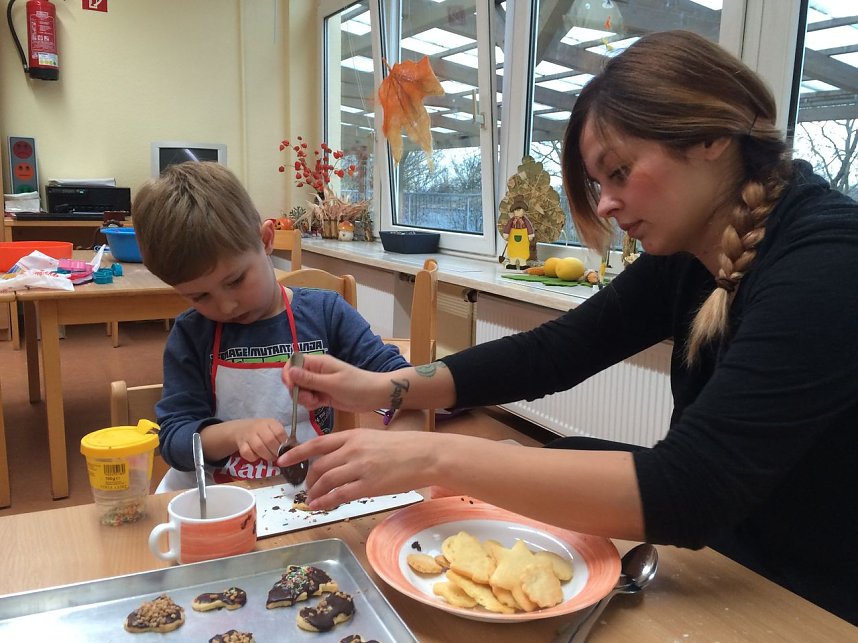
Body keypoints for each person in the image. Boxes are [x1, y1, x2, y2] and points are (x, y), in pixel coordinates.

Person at [279, 31, 858, 625]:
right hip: (720, 557)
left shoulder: (829, 263)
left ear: (710, 137)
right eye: (598, 184)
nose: (605, 204)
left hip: (811, 596)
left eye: (620, 173)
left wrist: (433, 456)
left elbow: (691, 488)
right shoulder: (691, 250)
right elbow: (555, 353)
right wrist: (385, 387)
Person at [131, 161, 416, 492]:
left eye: (236, 280)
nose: (226, 306)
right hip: (218, 497)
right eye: (200, 296)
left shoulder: (327, 314)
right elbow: (175, 440)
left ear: (265, 239)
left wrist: (401, 431)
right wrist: (234, 433)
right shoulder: (192, 334)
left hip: (308, 492)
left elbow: (399, 381)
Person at [501, 196, 535, 269]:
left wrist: (530, 234)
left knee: (523, 250)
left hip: (524, 238)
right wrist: (506, 233)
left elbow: (529, 227)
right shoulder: (512, 221)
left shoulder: (525, 221)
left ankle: (523, 264)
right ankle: (512, 263)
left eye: (519, 210)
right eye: (515, 210)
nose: (517, 212)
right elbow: (508, 226)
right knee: (513, 250)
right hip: (512, 238)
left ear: (523, 211)